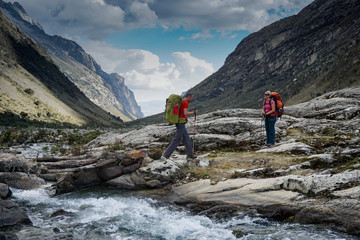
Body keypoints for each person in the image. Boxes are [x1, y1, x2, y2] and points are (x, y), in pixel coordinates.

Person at [163, 92, 198, 160]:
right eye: (191, 98)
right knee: (177, 139)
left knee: (186, 138)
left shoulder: (181, 101)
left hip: (179, 121)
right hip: (180, 122)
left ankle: (190, 154)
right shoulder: (185, 103)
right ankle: (166, 154)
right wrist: (193, 112)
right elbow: (185, 113)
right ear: (188, 97)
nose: (191, 99)